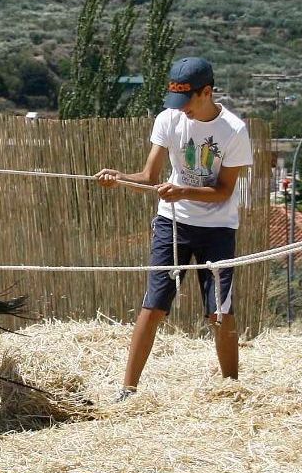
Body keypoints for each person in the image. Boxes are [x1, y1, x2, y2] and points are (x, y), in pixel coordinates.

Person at [96, 56, 253, 394]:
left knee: (220, 312)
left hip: (218, 230)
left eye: (188, 102)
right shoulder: (169, 119)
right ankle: (128, 391)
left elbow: (224, 192)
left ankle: (231, 390)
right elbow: (148, 176)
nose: (183, 110)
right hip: (173, 224)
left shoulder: (234, 131)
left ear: (207, 92)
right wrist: (118, 177)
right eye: (177, 103)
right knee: (153, 306)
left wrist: (183, 190)